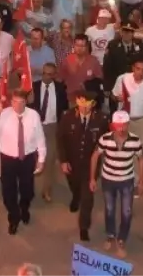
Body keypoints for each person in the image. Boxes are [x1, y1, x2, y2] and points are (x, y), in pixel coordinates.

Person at [91, 110, 143, 258]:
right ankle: (110, 234)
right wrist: (92, 178)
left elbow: (141, 159)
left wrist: (141, 181)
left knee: (126, 211)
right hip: (108, 179)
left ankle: (121, 239)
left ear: (128, 125)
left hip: (127, 180)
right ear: (113, 126)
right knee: (109, 209)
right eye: (118, 126)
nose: (121, 129)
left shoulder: (135, 140)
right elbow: (95, 155)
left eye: (124, 125)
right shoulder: (105, 139)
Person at [0, 89, 46, 235]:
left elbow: (40, 139)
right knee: (8, 191)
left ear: (26, 102)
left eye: (21, 102)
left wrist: (41, 160)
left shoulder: (33, 115)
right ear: (11, 102)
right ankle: (13, 217)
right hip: (8, 158)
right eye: (15, 102)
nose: (18, 105)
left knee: (27, 189)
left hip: (27, 158)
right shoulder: (3, 115)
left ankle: (24, 207)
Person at [57, 90, 106, 242]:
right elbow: (60, 139)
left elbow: (105, 141)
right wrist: (63, 161)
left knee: (88, 197)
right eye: (81, 103)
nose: (84, 107)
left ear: (94, 104)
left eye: (88, 104)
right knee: (74, 185)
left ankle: (84, 227)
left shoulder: (101, 119)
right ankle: (75, 196)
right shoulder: (68, 117)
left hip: (90, 165)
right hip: (72, 162)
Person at [30, 62, 67, 202]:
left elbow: (63, 108)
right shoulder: (34, 87)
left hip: (52, 126)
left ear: (54, 75)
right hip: (35, 127)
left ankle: (47, 189)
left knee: (50, 159)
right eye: (44, 73)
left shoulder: (60, 88)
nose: (47, 76)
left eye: (50, 74)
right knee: (33, 159)